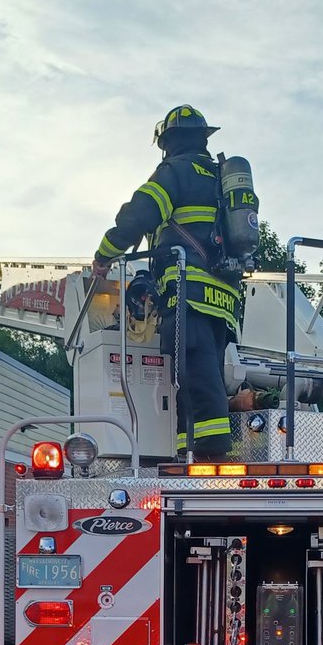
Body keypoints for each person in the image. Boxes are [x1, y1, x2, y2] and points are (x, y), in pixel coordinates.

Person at [93, 104, 240, 461]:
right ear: (203, 138)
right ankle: (188, 450)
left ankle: (208, 453)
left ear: (167, 142)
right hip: (223, 299)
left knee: (194, 377)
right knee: (201, 375)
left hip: (188, 292)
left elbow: (138, 215)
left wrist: (104, 254)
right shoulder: (221, 177)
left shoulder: (176, 171)